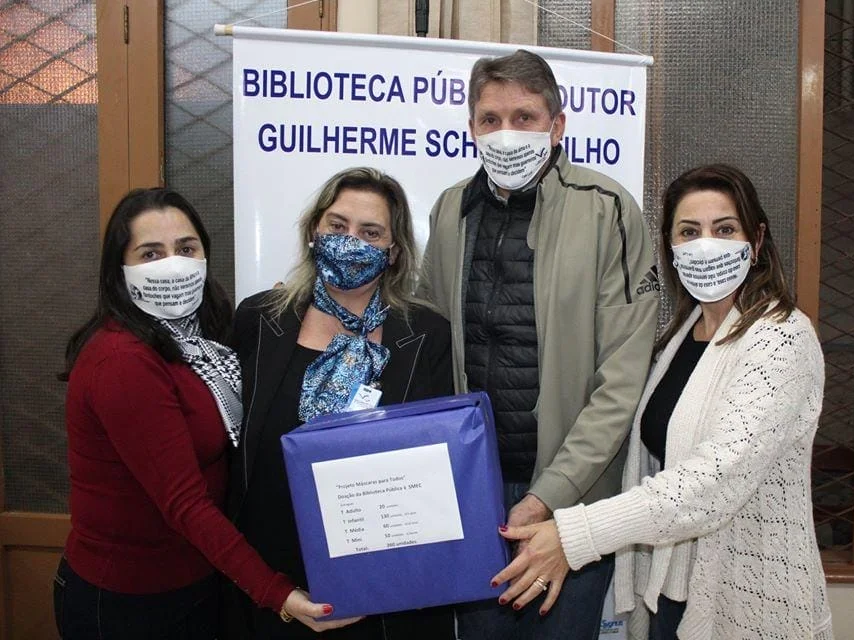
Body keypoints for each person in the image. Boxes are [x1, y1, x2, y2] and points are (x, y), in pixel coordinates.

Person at [492, 164, 834, 640]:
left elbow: (712, 482)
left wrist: (576, 536)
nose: (705, 244)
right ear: (671, 250)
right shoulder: (681, 337)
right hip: (672, 596)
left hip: (746, 605)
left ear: (756, 242)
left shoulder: (781, 338)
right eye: (689, 232)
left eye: (725, 229)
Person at [419, 49, 660, 639]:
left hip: (571, 497)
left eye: (525, 117)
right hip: (469, 492)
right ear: (471, 127)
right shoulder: (451, 209)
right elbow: (425, 340)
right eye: (490, 118)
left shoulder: (609, 211)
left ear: (557, 125)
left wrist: (549, 495)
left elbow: (622, 379)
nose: (506, 134)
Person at [55, 188, 353, 639]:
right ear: (120, 270)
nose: (173, 264)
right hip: (129, 601)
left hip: (196, 581)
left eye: (186, 249)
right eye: (151, 253)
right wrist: (279, 595)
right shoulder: (123, 360)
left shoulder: (200, 340)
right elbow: (185, 503)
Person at [227, 167, 456, 640]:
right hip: (273, 586)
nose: (350, 240)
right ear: (314, 231)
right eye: (337, 225)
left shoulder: (426, 337)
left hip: (387, 592)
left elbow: (439, 469)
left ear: (393, 252)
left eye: (370, 232)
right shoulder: (257, 320)